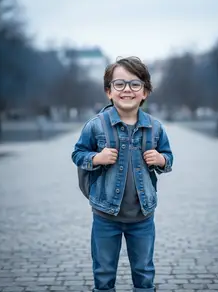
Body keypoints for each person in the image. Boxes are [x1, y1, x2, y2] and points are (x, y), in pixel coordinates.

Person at [71, 56, 173, 292]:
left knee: (144, 273)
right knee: (104, 274)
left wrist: (161, 159)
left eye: (135, 84)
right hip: (106, 216)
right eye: (119, 84)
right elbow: (78, 154)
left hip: (142, 217)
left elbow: (168, 158)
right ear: (109, 91)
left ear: (145, 92)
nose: (127, 89)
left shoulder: (155, 128)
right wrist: (96, 158)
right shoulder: (96, 125)